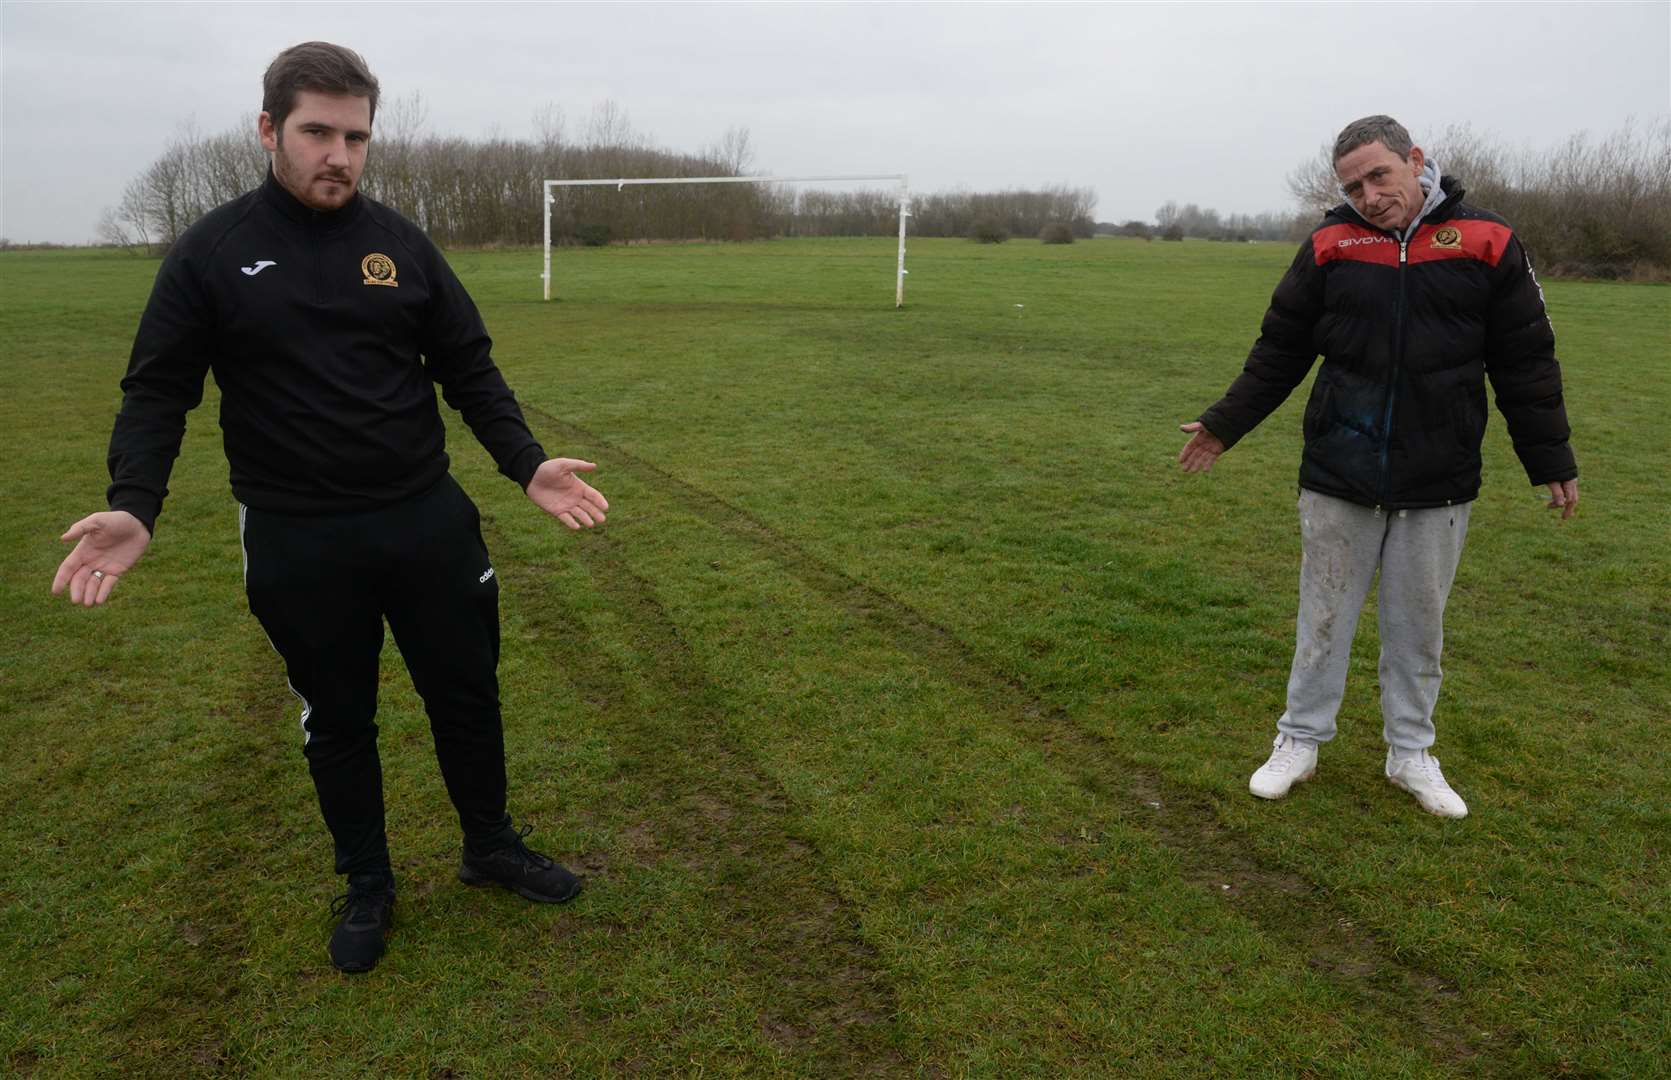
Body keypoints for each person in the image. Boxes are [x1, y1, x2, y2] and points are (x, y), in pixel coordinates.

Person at [49, 42, 610, 973]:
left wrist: (526, 464)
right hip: (297, 537)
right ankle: (368, 884)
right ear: (269, 130)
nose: (337, 154)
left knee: (466, 693)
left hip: (426, 519)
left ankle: (490, 845)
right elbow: (158, 391)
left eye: (355, 136)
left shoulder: (400, 243)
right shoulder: (212, 254)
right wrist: (135, 505)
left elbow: (466, 367)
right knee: (337, 716)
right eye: (316, 132)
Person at [1178, 115, 1578, 820]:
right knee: (1324, 617)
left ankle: (1410, 753)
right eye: (1351, 185)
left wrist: (1548, 456)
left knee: (1417, 627)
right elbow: (1279, 348)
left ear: (1414, 161)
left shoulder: (1486, 240)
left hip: (1439, 473)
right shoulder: (1330, 244)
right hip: (1339, 466)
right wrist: (1222, 425)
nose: (1366, 194)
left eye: (1377, 176)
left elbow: (1524, 360)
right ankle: (1298, 740)